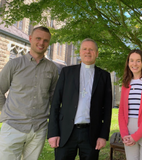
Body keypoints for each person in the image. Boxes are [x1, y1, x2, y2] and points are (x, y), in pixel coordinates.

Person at [47, 38, 112, 160]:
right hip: (66, 132)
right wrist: (53, 133)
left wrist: (103, 136)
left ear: (97, 53)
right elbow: (55, 103)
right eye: (85, 49)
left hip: (91, 133)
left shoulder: (104, 76)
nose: (88, 52)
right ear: (80, 52)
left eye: (91, 49)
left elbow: (107, 109)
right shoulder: (67, 72)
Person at [0, 26, 58, 160]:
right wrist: (6, 112)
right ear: (30, 39)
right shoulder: (14, 64)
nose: (41, 43)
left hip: (38, 129)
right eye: (38, 38)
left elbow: (53, 98)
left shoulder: (52, 68)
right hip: (13, 126)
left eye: (45, 40)